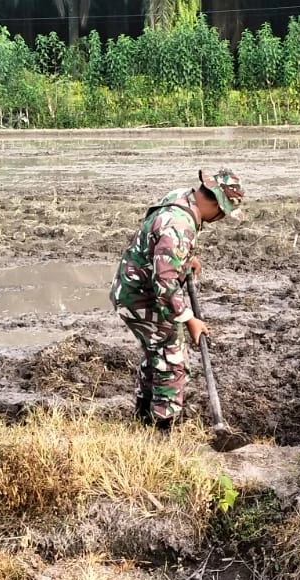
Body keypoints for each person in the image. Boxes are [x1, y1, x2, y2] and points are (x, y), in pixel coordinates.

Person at [110, 169, 246, 433]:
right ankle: (161, 430)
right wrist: (189, 319)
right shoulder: (179, 225)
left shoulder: (182, 197)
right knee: (172, 358)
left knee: (157, 353)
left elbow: (163, 248)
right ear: (216, 204)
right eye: (223, 213)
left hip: (134, 289)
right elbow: (166, 284)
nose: (220, 219)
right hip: (143, 298)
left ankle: (144, 419)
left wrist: (186, 258)